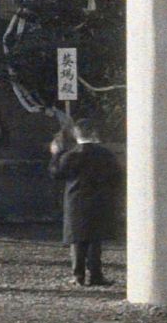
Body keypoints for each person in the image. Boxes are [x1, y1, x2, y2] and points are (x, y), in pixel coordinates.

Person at [49, 120, 120, 286]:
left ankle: (78, 275)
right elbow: (116, 176)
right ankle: (96, 274)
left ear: (76, 134)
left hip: (76, 200)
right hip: (99, 199)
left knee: (77, 239)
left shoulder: (71, 155)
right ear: (93, 133)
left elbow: (56, 173)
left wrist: (56, 154)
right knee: (95, 239)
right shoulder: (105, 154)